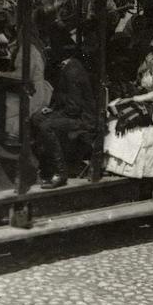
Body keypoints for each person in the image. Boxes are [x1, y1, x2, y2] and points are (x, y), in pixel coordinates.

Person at [103, 35, 153, 178]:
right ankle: (113, 164)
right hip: (144, 99)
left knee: (137, 130)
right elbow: (140, 83)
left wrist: (133, 98)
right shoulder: (148, 60)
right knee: (114, 119)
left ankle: (129, 167)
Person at [30, 30, 97, 189]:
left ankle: (60, 173)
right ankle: (46, 166)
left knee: (47, 126)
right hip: (74, 114)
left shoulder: (72, 70)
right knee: (36, 117)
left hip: (84, 119)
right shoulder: (67, 67)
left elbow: (73, 108)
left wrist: (53, 113)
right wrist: (50, 109)